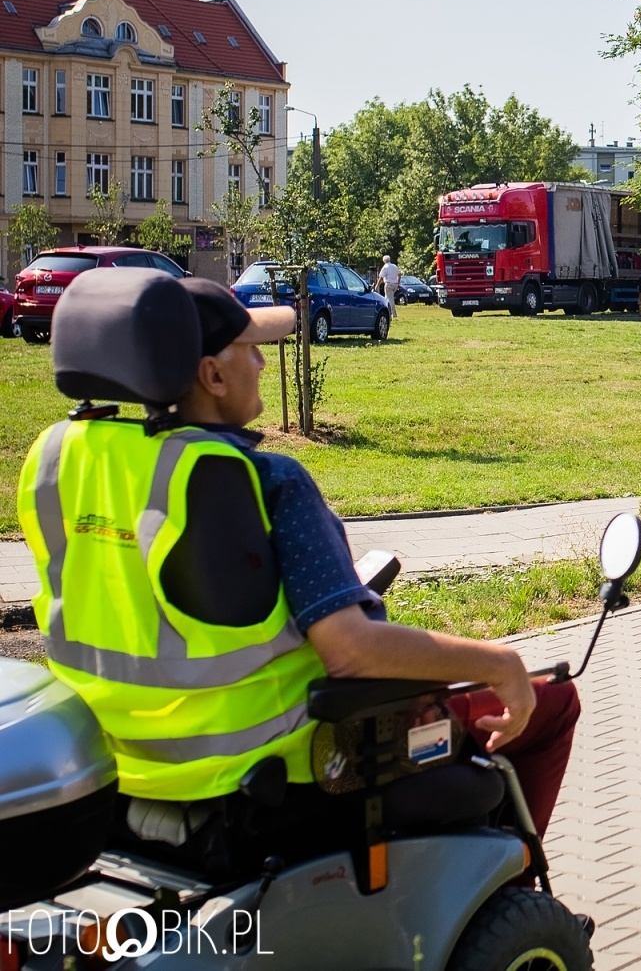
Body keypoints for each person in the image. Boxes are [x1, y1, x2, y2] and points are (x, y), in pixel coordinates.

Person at [17, 275, 580, 867]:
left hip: (117, 770)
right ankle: (515, 896)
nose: (264, 362)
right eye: (251, 349)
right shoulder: (268, 481)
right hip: (278, 775)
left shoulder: (60, 463)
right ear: (212, 376)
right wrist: (497, 662)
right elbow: (351, 652)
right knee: (552, 699)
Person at [375, 254, 402, 320]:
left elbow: (381, 277)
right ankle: (387, 313)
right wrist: (398, 282)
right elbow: (399, 274)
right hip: (395, 284)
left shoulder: (385, 267)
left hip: (389, 284)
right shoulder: (394, 266)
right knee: (387, 299)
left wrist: (377, 285)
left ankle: (393, 314)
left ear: (384, 261)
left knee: (390, 299)